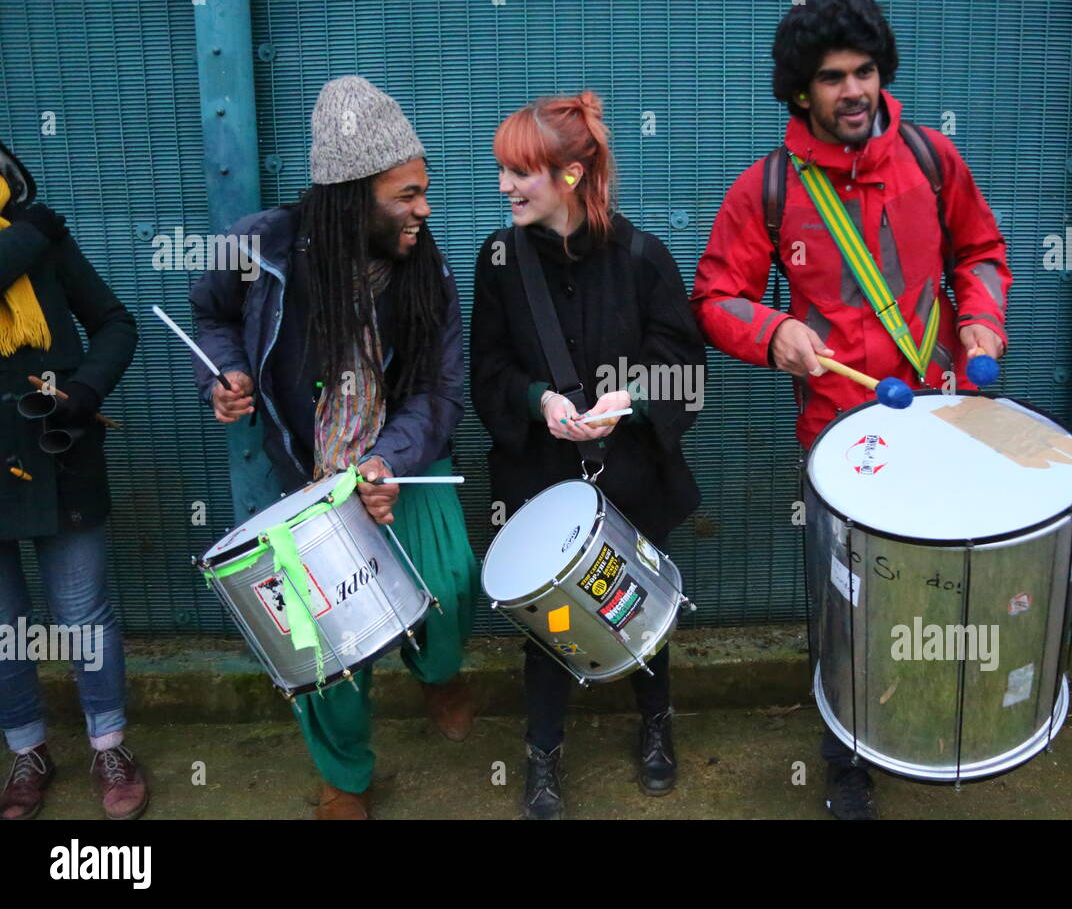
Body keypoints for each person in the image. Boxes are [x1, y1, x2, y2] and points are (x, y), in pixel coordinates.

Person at [691, 0, 1011, 819]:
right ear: (802, 91)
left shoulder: (933, 160)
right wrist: (772, 333)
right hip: (841, 438)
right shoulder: (765, 188)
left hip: (942, 415)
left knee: (946, 583)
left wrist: (980, 323)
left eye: (865, 72)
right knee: (849, 598)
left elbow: (981, 251)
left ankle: (938, 718)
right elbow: (716, 296)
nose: (854, 91)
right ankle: (848, 756)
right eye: (833, 78)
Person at [190, 76, 478, 819]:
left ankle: (439, 672)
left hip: (402, 462)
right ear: (352, 197)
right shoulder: (262, 248)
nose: (425, 209)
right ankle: (344, 774)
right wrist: (223, 372)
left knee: (445, 588)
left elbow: (442, 393)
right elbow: (209, 314)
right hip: (308, 478)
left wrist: (391, 460)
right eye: (406, 195)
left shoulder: (428, 270)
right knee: (324, 643)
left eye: (424, 190)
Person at [471, 91, 706, 819]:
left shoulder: (642, 257)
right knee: (551, 623)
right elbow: (487, 368)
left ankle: (656, 724)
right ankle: (542, 754)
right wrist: (539, 399)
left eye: (521, 172)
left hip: (631, 474)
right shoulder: (499, 259)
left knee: (643, 605)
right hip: (541, 476)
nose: (505, 186)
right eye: (503, 171)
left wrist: (626, 401)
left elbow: (686, 370)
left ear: (570, 176)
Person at [0, 139, 142, 819]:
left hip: (61, 449)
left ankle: (109, 743)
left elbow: (116, 321)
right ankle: (27, 750)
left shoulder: (43, 240)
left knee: (82, 614)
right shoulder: (35, 232)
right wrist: (27, 237)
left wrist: (83, 390)